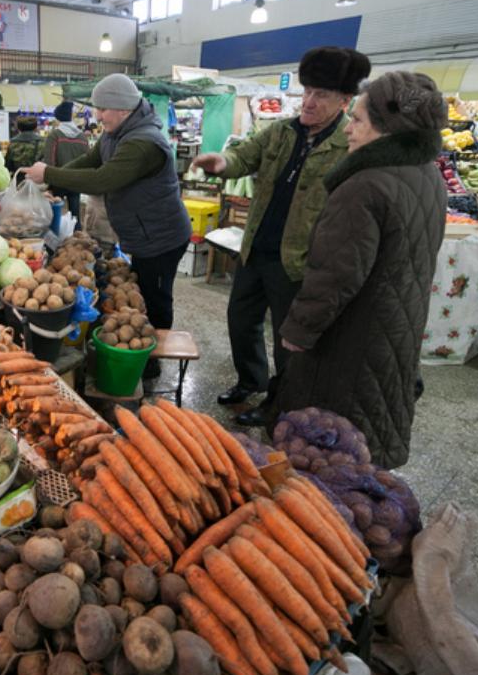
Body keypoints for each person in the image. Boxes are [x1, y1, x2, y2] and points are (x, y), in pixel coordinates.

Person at [274, 71, 448, 469]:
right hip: (395, 324)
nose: (348, 130)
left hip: (352, 335)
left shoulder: (364, 186)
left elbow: (335, 273)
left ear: (386, 130)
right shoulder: (426, 175)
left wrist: (299, 331)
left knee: (328, 444)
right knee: (368, 438)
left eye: (357, 120)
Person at [193, 47, 371, 425]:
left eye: (320, 94)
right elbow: (244, 157)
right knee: (241, 320)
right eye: (306, 91)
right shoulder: (281, 131)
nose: (308, 101)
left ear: (344, 100)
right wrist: (221, 163)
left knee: (289, 339)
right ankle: (249, 380)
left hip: (299, 259)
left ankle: (280, 401)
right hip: (256, 248)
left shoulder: (347, 146)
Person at [25, 74, 191, 377]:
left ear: (124, 109)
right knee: (146, 291)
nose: (97, 115)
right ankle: (145, 351)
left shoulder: (144, 143)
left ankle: (151, 360)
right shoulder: (115, 133)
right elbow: (91, 160)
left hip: (161, 235)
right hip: (144, 231)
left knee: (156, 297)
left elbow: (103, 178)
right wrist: (52, 181)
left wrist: (49, 171)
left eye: (102, 109)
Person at [39, 101, 90, 218]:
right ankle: (77, 234)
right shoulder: (82, 137)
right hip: (76, 180)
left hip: (58, 180)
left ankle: (58, 235)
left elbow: (49, 161)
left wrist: (48, 181)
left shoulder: (55, 135)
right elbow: (88, 159)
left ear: (58, 118)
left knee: (55, 214)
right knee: (75, 216)